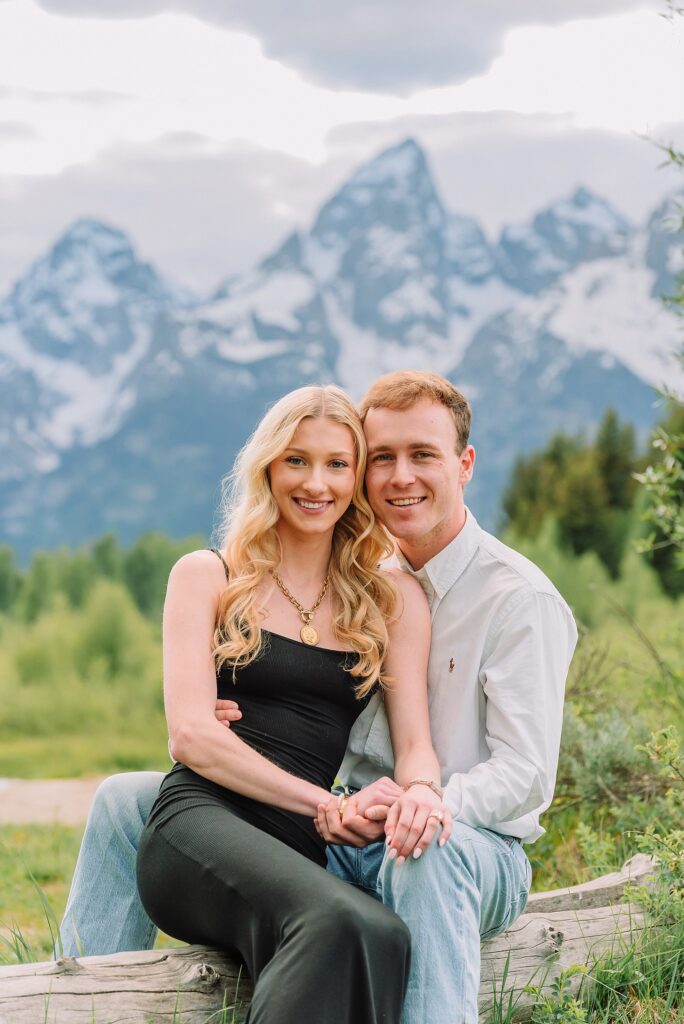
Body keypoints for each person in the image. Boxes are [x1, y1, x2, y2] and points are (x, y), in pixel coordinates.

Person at [61, 371, 577, 1024]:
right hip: (338, 824)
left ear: (464, 464)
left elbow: (520, 776)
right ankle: (65, 1003)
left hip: (443, 837)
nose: (399, 476)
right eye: (382, 459)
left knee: (420, 853)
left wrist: (422, 802)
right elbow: (202, 729)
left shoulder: (492, 599)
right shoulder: (335, 579)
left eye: (421, 455)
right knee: (122, 799)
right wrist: (225, 725)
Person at [123, 383, 452, 1024]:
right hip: (199, 825)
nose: (316, 483)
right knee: (336, 920)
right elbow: (190, 735)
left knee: (381, 935)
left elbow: (415, 744)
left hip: (294, 846)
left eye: (337, 464)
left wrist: (422, 794)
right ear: (268, 468)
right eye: (297, 460)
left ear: (357, 478)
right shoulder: (207, 576)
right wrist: (327, 803)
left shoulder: (390, 600)